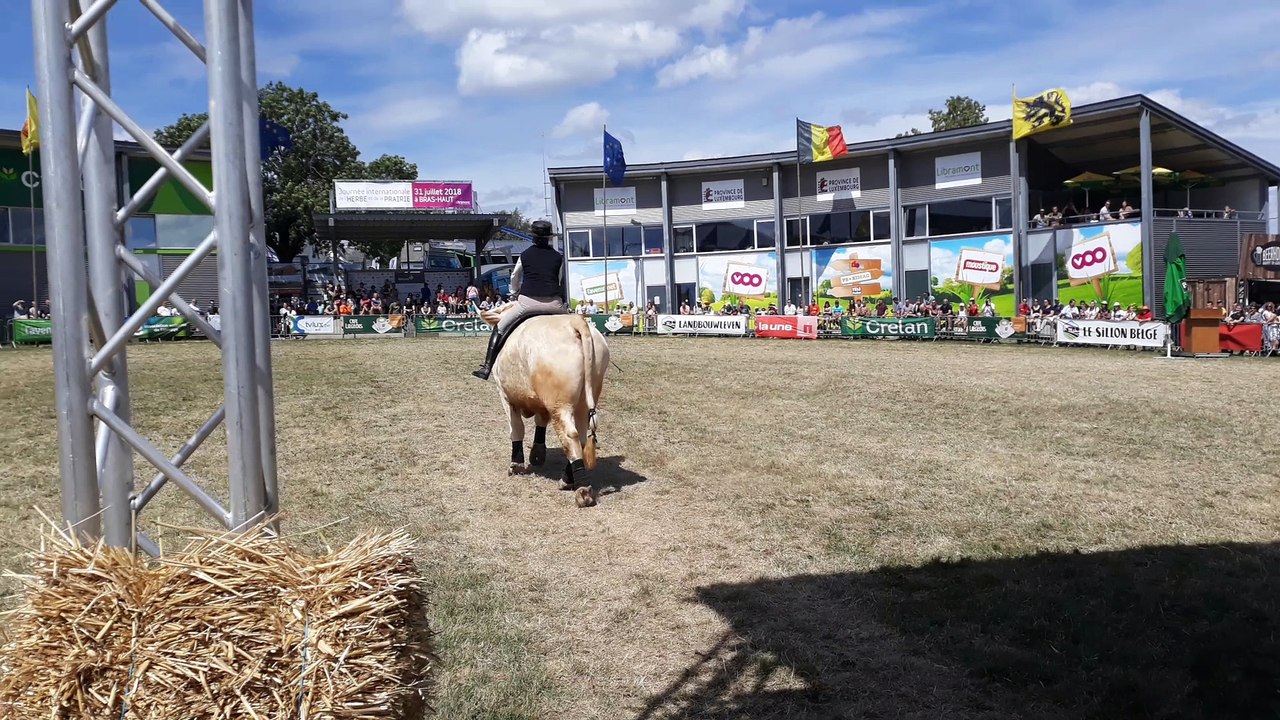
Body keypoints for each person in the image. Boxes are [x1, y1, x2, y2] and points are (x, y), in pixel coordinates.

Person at [472, 220, 567, 380]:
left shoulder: (525, 255)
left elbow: (515, 276)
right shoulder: (558, 257)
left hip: (528, 303)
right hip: (555, 304)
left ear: (533, 238)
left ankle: (487, 368)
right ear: (549, 238)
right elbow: (560, 280)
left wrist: (514, 293)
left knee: (500, 328)